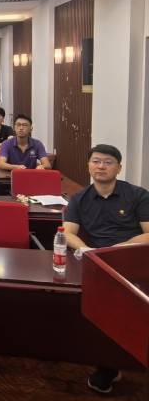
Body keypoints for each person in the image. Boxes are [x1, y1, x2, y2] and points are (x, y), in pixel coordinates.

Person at [63, 144, 149, 394]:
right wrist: (88, 251)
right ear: (89, 166)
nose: (101, 166)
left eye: (108, 162)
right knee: (95, 306)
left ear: (119, 168)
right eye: (96, 161)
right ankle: (108, 364)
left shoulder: (138, 195)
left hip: (134, 259)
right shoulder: (80, 198)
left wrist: (117, 248)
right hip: (98, 262)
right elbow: (68, 233)